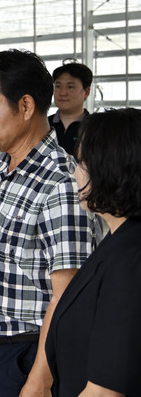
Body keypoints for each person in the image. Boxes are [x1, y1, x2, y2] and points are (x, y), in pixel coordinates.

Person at [0, 49, 95, 397]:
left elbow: (67, 296)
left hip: (28, 355)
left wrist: (40, 378)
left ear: (26, 106)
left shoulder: (61, 183)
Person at [45, 108, 141, 396]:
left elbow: (104, 390)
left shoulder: (130, 261)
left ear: (112, 168)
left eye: (82, 162)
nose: (74, 172)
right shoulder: (117, 239)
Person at [48, 61, 92, 156]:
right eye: (58, 86)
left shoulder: (94, 128)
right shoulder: (43, 125)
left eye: (70, 87)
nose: (62, 93)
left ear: (86, 92)